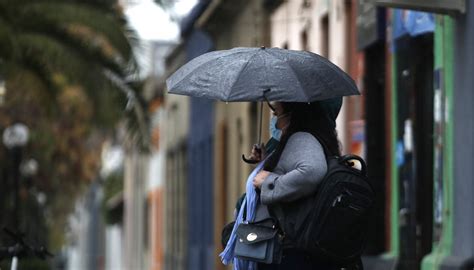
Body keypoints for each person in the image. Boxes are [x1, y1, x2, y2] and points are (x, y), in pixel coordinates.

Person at [253, 101, 345, 270]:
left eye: (276, 114)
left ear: (292, 115)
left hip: (292, 252)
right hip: (298, 251)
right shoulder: (305, 139)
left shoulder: (301, 138)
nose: (275, 121)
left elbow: (312, 171)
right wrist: (267, 161)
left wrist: (269, 182)